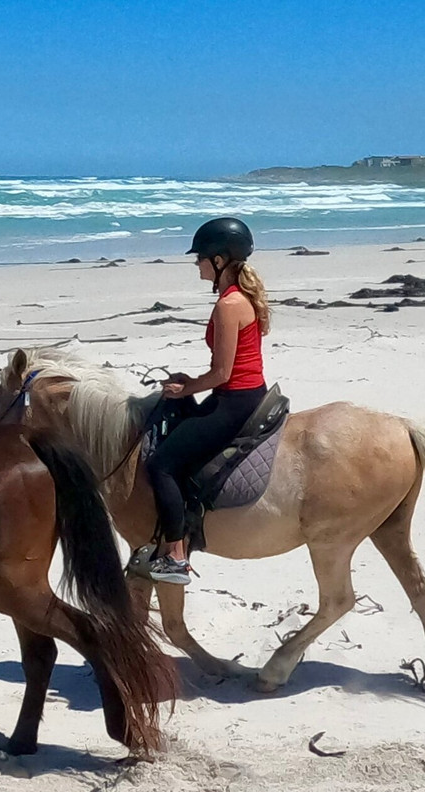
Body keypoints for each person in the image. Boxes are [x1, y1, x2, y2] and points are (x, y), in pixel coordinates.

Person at [143, 217, 271, 585]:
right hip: (241, 394)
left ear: (219, 261)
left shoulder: (229, 305)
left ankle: (176, 558)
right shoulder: (237, 299)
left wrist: (187, 389)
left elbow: (222, 373)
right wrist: (191, 383)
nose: (196, 263)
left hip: (235, 401)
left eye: (200, 257)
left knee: (162, 466)